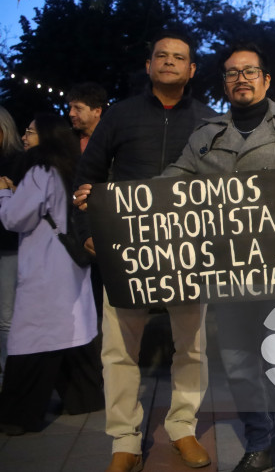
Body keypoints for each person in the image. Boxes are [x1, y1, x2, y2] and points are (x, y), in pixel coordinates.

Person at [159, 42, 275, 472]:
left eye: (249, 71)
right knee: (239, 366)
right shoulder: (206, 135)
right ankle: (259, 443)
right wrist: (119, 200)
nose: (241, 78)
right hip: (227, 272)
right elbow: (169, 185)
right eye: (232, 73)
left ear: (266, 79)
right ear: (224, 82)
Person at [74, 31, 216, 472]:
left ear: (192, 69)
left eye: (179, 57)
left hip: (188, 250)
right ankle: (124, 439)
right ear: (149, 65)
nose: (170, 62)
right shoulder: (119, 116)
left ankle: (183, 428)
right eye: (162, 56)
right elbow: (85, 180)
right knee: (119, 348)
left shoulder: (211, 121)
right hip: (126, 250)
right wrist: (84, 232)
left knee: (191, 347)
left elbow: (227, 184)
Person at [0, 114, 103, 435]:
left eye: (31, 131)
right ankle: (83, 398)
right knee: (73, 334)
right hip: (71, 264)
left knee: (32, 338)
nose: (26, 137)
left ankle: (18, 416)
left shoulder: (39, 172)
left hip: (45, 267)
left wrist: (4, 193)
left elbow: (15, 219)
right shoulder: (70, 168)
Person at [0, 106, 23, 384]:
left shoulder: (19, 160)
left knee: (6, 315)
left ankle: (9, 377)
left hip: (10, 245)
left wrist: (9, 190)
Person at [67, 82, 107, 152]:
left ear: (97, 111)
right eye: (70, 107)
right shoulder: (66, 139)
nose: (71, 114)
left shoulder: (112, 140)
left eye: (78, 108)